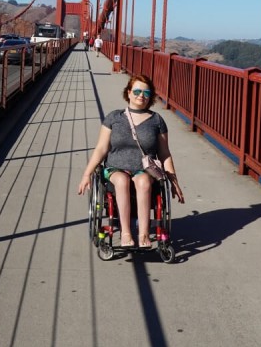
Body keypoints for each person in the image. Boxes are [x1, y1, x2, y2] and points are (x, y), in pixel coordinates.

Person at [77, 74, 184, 248]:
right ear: (128, 92)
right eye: (137, 91)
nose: (141, 95)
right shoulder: (114, 117)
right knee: (121, 179)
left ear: (151, 96)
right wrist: (86, 174)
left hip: (144, 171)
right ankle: (126, 233)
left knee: (142, 182)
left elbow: (164, 153)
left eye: (146, 92)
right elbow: (101, 149)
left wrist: (174, 181)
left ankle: (143, 234)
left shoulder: (157, 120)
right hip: (115, 168)